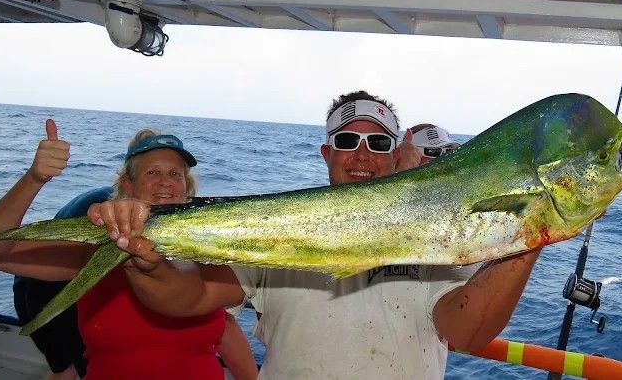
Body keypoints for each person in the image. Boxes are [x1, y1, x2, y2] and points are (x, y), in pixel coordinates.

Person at [87, 90, 543, 379]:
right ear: (327, 152)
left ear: (397, 154)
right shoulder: (280, 230)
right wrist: (143, 261)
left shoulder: (440, 233)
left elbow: (465, 331)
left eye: (378, 143)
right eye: (346, 142)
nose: (361, 155)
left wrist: (531, 235)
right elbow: (185, 298)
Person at [0, 121, 258, 380]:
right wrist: (34, 178)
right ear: (127, 184)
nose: (165, 181)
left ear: (186, 186)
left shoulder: (203, 251)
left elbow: (225, 328)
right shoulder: (99, 248)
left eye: (175, 173)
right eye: (152, 172)